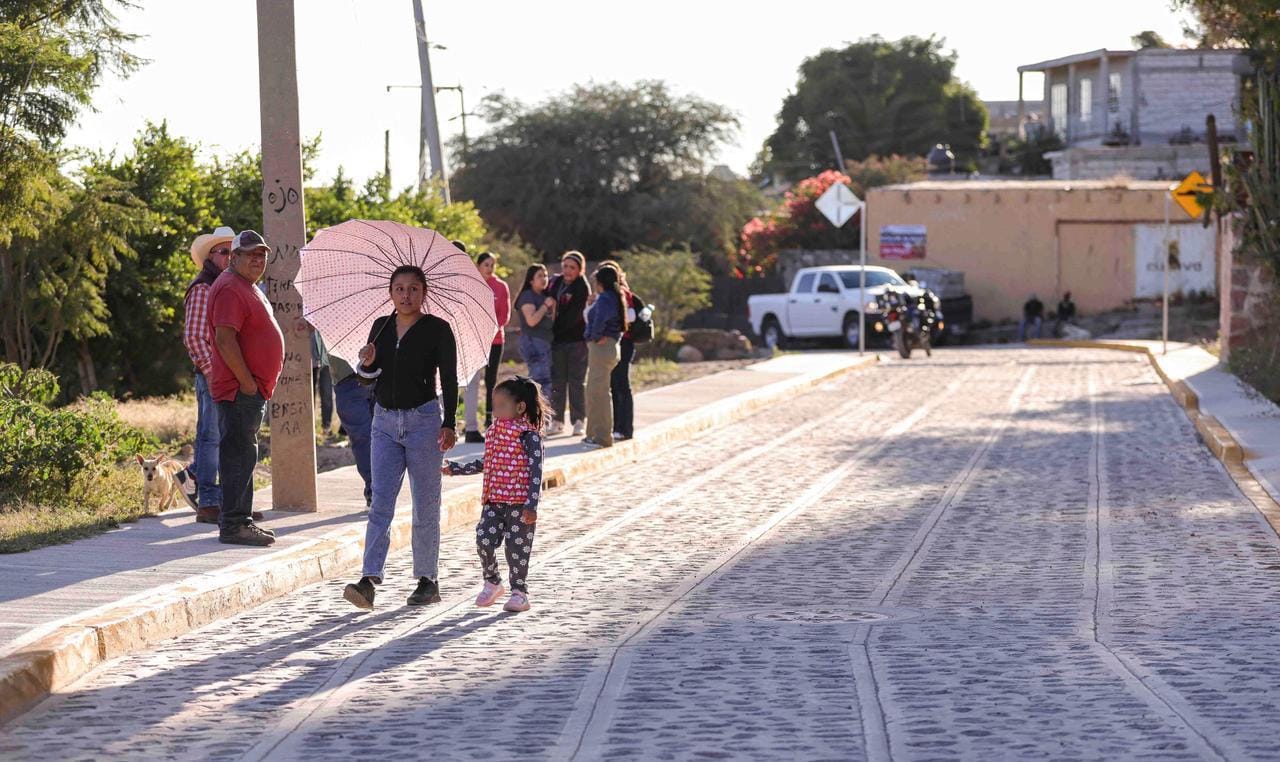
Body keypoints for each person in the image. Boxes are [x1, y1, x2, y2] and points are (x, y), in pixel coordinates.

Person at [343, 264, 459, 610]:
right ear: (391, 292)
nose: (406, 295)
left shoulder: (438, 329)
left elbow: (449, 379)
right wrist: (366, 363)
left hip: (424, 422)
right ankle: (368, 580)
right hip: (384, 422)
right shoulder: (380, 326)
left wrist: (449, 423)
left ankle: (427, 580)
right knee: (380, 501)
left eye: (413, 289)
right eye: (399, 289)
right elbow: (367, 381)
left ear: (424, 293)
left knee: (425, 503)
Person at [442, 376, 546, 613]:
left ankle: (519, 593)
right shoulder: (494, 432)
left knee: (517, 550)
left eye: (501, 405)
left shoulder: (529, 436)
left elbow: (536, 472)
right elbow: (487, 462)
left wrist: (532, 505)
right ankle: (492, 582)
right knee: (484, 540)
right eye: (494, 405)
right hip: (494, 501)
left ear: (520, 407)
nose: (495, 411)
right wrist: (456, 468)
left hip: (520, 504)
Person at [208, 230, 284, 546]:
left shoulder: (244, 286)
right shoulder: (230, 287)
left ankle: (240, 521)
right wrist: (248, 383)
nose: (258, 259)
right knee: (239, 455)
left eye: (262, 254)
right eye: (251, 254)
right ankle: (235, 524)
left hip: (247, 390)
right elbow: (225, 339)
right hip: (239, 391)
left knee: (243, 454)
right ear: (234, 257)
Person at [183, 226, 233, 525]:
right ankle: (211, 502)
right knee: (213, 437)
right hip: (214, 374)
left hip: (227, 374)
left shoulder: (225, 286)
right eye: (224, 252)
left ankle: (221, 499)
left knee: (219, 437)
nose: (230, 257)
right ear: (210, 256)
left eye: (234, 252)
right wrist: (213, 373)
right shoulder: (204, 288)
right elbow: (194, 337)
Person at [463, 252, 511, 444]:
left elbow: (504, 316)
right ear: (478, 266)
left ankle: (490, 419)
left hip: (495, 340)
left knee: (491, 381)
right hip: (474, 341)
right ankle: (469, 424)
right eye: (486, 264)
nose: (490, 268)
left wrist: (490, 329)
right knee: (471, 382)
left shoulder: (501, 286)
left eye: (492, 265)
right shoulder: (471, 284)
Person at [583, 265, 627, 448]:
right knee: (594, 391)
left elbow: (599, 320)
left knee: (598, 393)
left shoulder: (606, 299)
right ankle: (593, 433)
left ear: (600, 282)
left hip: (602, 348)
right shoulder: (613, 297)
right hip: (607, 347)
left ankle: (602, 437)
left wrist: (593, 336)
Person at [547, 251, 589, 437]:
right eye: (565, 266)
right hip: (557, 342)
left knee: (576, 382)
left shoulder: (582, 286)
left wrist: (554, 324)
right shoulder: (556, 283)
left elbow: (574, 316)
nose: (568, 270)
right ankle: (557, 421)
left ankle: (578, 421)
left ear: (580, 270)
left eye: (572, 267)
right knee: (558, 381)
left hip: (576, 341)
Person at [331, 351, 375, 508]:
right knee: (367, 438)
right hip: (353, 379)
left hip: (365, 377)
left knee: (368, 439)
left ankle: (376, 491)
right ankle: (376, 491)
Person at [603, 262, 638, 442]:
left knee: (621, 385)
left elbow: (630, 316)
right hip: (616, 343)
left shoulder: (622, 293)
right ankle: (618, 427)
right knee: (615, 386)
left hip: (624, 343)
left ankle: (625, 428)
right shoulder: (607, 295)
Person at [515, 264, 556, 397]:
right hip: (533, 341)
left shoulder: (544, 296)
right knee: (540, 381)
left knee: (545, 379)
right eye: (539, 276)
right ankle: (537, 409)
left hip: (544, 341)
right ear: (531, 280)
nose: (544, 279)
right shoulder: (528, 296)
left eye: (545, 275)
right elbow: (531, 321)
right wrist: (545, 306)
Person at [311, 324, 334, 435]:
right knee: (309, 396)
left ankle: (326, 426)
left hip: (327, 361)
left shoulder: (326, 321)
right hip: (309, 361)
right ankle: (310, 427)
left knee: (327, 394)